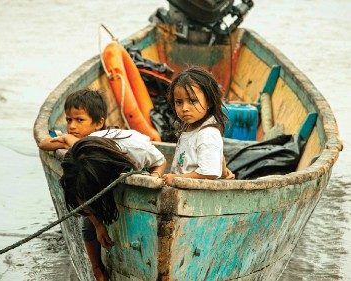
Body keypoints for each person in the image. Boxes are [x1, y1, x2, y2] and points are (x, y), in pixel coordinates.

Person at [39, 89, 166, 281]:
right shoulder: (78, 155)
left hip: (125, 172)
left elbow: (160, 160)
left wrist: (155, 177)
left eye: (79, 120)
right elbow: (45, 145)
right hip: (98, 183)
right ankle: (97, 268)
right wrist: (98, 225)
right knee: (88, 224)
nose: (72, 126)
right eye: (69, 120)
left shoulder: (134, 146)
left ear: (99, 123)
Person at [162, 66, 234, 185]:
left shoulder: (208, 134)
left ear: (209, 102)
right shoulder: (189, 127)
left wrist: (176, 178)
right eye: (179, 102)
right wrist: (224, 172)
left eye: (192, 101)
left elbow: (209, 173)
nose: (184, 108)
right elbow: (217, 159)